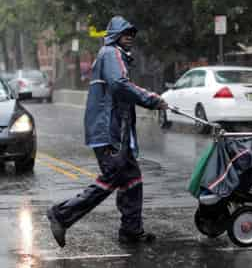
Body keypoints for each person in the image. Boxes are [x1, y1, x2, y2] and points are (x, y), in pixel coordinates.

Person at [47, 16, 168, 248]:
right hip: (108, 130)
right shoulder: (111, 53)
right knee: (112, 176)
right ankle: (61, 215)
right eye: (125, 33)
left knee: (132, 179)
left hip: (114, 130)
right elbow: (119, 85)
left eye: (132, 33)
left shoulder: (114, 55)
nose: (130, 36)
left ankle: (131, 231)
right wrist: (151, 99)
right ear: (114, 35)